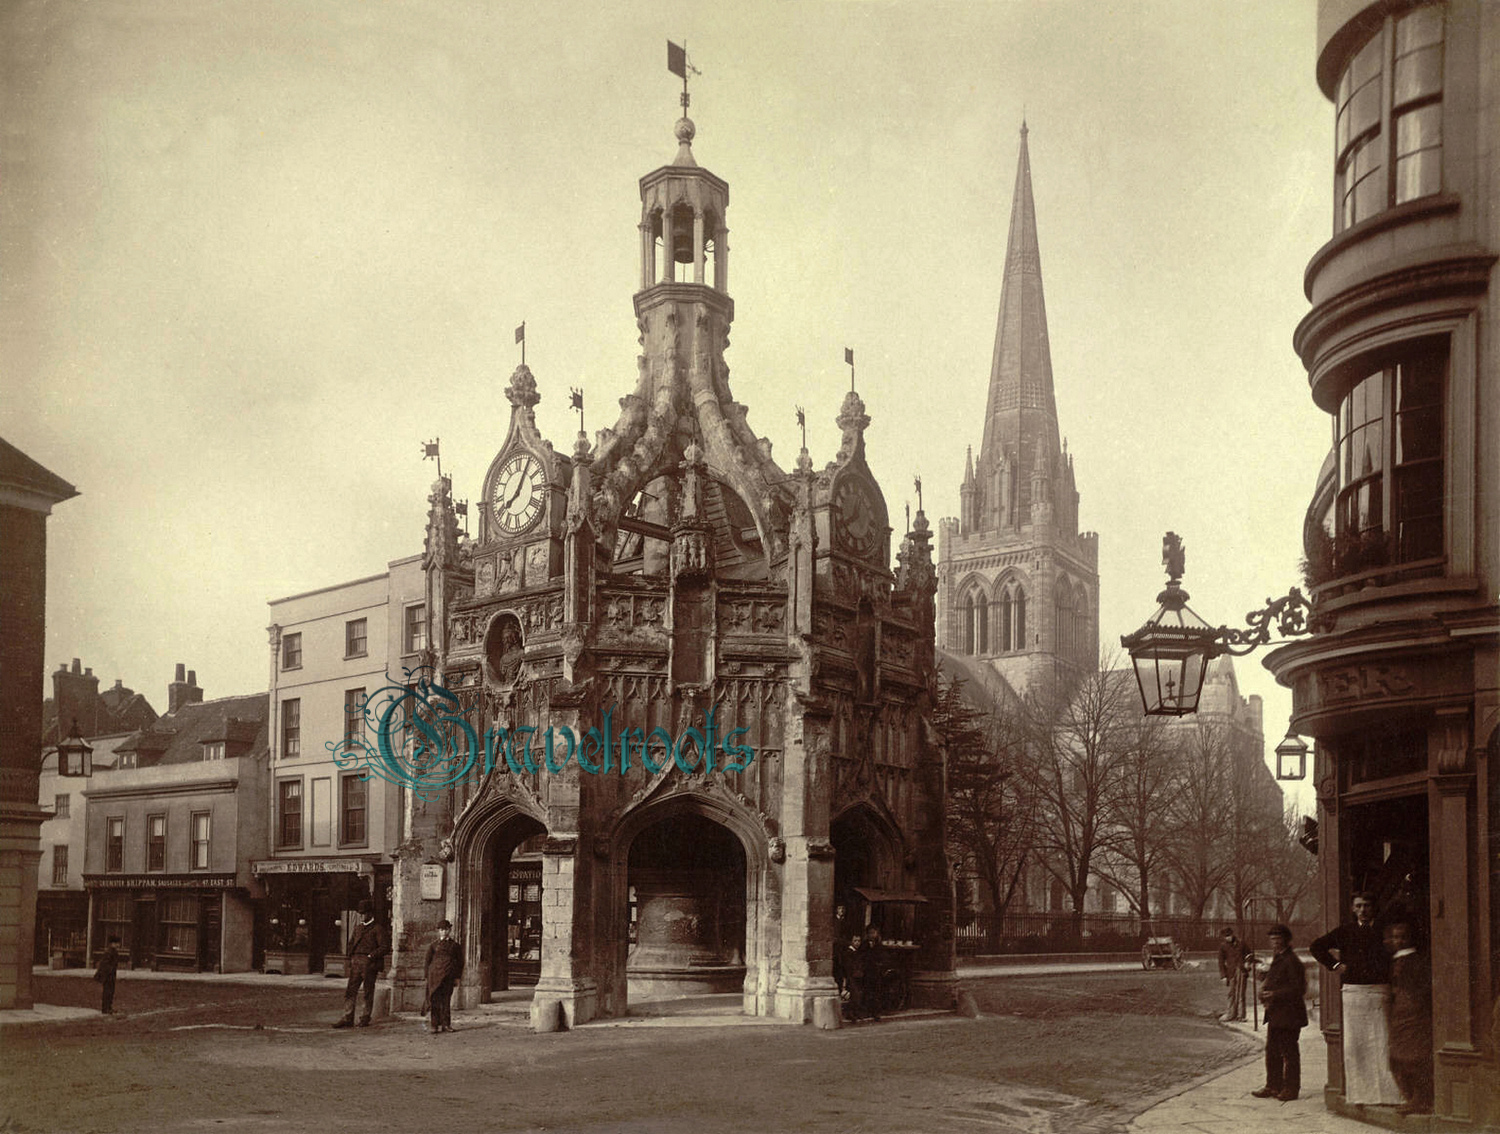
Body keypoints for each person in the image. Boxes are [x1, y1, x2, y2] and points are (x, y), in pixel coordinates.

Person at [1310, 892, 1401, 1106]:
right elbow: (1316, 946)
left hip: (1380, 991)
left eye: (1367, 906)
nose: (1363, 910)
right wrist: (1335, 965)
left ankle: (1388, 1095)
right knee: (1357, 1045)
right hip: (1354, 993)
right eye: (1359, 906)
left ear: (1373, 908)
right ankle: (1361, 1094)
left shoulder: (1383, 929)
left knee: (1382, 1042)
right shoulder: (1346, 931)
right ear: (1353, 909)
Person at [1252, 924, 1308, 1101]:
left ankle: (1291, 1089)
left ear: (1286, 940)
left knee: (1289, 1052)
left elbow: (1299, 988)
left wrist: (1274, 994)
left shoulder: (1292, 961)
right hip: (1276, 1014)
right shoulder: (1278, 959)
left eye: (1278, 939)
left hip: (1289, 1015)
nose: (1274, 942)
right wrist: (1265, 981)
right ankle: (1273, 1085)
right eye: (1272, 939)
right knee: (1272, 1051)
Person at [1386, 921, 1433, 1116]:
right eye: (1396, 937)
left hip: (1414, 1015)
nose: (1399, 941)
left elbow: (1421, 989)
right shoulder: (1396, 960)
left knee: (1414, 1057)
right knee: (1400, 1056)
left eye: (1403, 937)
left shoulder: (1416, 960)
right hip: (1400, 1014)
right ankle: (1411, 1096)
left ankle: (1420, 1099)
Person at [333, 899, 389, 1028]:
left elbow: (385, 947)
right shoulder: (358, 928)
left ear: (370, 913)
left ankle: (365, 1017)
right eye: (360, 913)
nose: (362, 916)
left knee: (368, 991)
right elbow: (351, 943)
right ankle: (348, 1017)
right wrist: (350, 956)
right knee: (350, 991)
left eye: (364, 913)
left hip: (369, 963)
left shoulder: (378, 929)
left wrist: (371, 956)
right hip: (356, 963)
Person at [422, 919, 464, 1034]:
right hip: (434, 978)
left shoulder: (455, 946)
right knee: (434, 1000)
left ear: (449, 930)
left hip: (448, 978)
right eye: (441, 930)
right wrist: (427, 976)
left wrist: (457, 977)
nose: (444, 932)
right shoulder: (433, 946)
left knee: (446, 1001)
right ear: (438, 931)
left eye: (446, 929)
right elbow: (427, 962)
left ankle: (446, 1024)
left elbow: (460, 963)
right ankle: (434, 1025)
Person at [1218, 927, 1251, 1021]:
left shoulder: (1241, 943)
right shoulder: (1223, 946)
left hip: (1241, 971)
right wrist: (1223, 976)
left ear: (1232, 934)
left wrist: (1247, 962)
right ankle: (1230, 1014)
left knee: (1241, 994)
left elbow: (1249, 954)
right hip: (1231, 972)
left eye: (1229, 935)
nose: (1228, 938)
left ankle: (1241, 1016)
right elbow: (1221, 962)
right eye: (1225, 936)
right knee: (1231, 993)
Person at [93, 935, 120, 1015]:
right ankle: (105, 1008)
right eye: (117, 943)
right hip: (108, 975)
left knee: (110, 991)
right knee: (107, 991)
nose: (118, 945)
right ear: (113, 943)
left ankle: (109, 1007)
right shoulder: (109, 952)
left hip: (111, 975)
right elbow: (105, 964)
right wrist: (108, 973)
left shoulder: (112, 951)